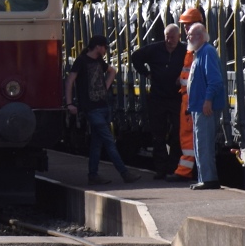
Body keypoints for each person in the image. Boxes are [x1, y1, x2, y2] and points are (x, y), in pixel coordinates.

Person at [65, 34, 136, 185]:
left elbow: (112, 71)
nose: (105, 50)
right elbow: (70, 80)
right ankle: (125, 173)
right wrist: (70, 103)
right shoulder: (81, 61)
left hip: (103, 106)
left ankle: (93, 175)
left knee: (97, 144)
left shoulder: (98, 60)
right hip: (91, 108)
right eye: (104, 47)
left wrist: (105, 87)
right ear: (98, 47)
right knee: (109, 141)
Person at [130, 24, 186, 177]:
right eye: (167, 37)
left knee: (178, 133)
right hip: (158, 97)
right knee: (158, 135)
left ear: (179, 37)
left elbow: (193, 64)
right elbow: (136, 57)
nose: (169, 40)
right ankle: (160, 169)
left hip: (176, 98)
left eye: (172, 37)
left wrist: (183, 77)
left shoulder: (184, 50)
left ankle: (173, 167)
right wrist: (146, 73)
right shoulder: (155, 49)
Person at [167, 7, 208, 182]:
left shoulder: (199, 49)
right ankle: (191, 171)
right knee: (188, 136)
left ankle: (185, 172)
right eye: (184, 26)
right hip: (187, 97)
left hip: (191, 99)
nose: (185, 29)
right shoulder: (192, 49)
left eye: (188, 25)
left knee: (188, 137)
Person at [186, 21, 227, 190]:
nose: (188, 37)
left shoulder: (207, 52)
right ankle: (204, 178)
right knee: (199, 143)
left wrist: (208, 100)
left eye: (190, 35)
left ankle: (209, 179)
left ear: (200, 36)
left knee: (204, 143)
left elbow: (215, 81)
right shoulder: (199, 53)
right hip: (198, 107)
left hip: (205, 107)